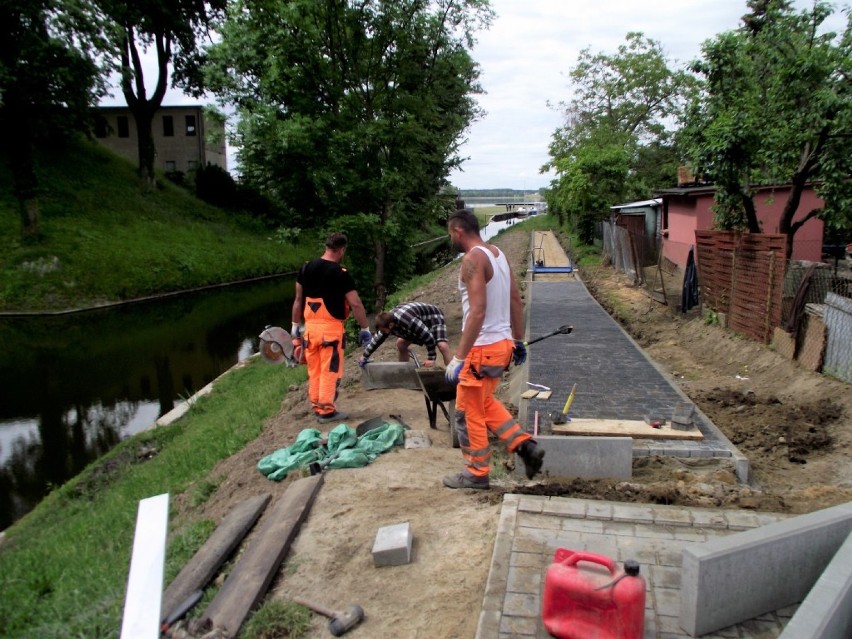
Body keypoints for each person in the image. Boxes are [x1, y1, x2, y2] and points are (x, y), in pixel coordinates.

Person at [443, 209, 544, 489]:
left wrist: (458, 358)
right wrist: (518, 341)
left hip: (480, 349)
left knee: (467, 413)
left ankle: (476, 473)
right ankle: (525, 447)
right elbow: (515, 299)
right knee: (484, 404)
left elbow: (477, 311)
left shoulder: (472, 259)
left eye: (450, 232)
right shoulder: (497, 254)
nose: (450, 237)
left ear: (458, 230)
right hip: (501, 346)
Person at [292, 232, 372, 423]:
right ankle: (327, 410)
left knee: (315, 370)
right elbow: (356, 304)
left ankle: (317, 405)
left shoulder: (306, 268)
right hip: (331, 331)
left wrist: (295, 326)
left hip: (310, 331)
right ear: (341, 249)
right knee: (330, 370)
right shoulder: (340, 273)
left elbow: (297, 300)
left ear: (327, 247)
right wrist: (365, 329)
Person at [357, 302, 453, 368]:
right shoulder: (386, 323)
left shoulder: (408, 320)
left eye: (384, 331)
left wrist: (431, 359)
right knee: (400, 344)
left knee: (442, 345)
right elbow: (377, 340)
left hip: (433, 317)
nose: (384, 333)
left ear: (390, 325)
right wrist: (365, 355)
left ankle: (453, 374)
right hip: (416, 322)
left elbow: (428, 337)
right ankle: (403, 370)